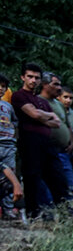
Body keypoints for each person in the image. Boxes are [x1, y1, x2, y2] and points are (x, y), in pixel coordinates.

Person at [11, 63, 66, 218]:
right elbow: (34, 114)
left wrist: (41, 115)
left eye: (36, 78)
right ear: (23, 77)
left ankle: (63, 216)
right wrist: (42, 116)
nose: (33, 80)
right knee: (32, 178)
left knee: (58, 178)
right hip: (29, 141)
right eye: (30, 76)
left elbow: (56, 122)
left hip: (47, 142)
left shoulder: (42, 101)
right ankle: (32, 215)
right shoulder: (19, 95)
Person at [0, 80, 22, 215]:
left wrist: (14, 137)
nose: (1, 89)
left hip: (9, 144)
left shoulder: (8, 106)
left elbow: (15, 122)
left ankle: (8, 209)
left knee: (9, 178)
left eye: (3, 87)